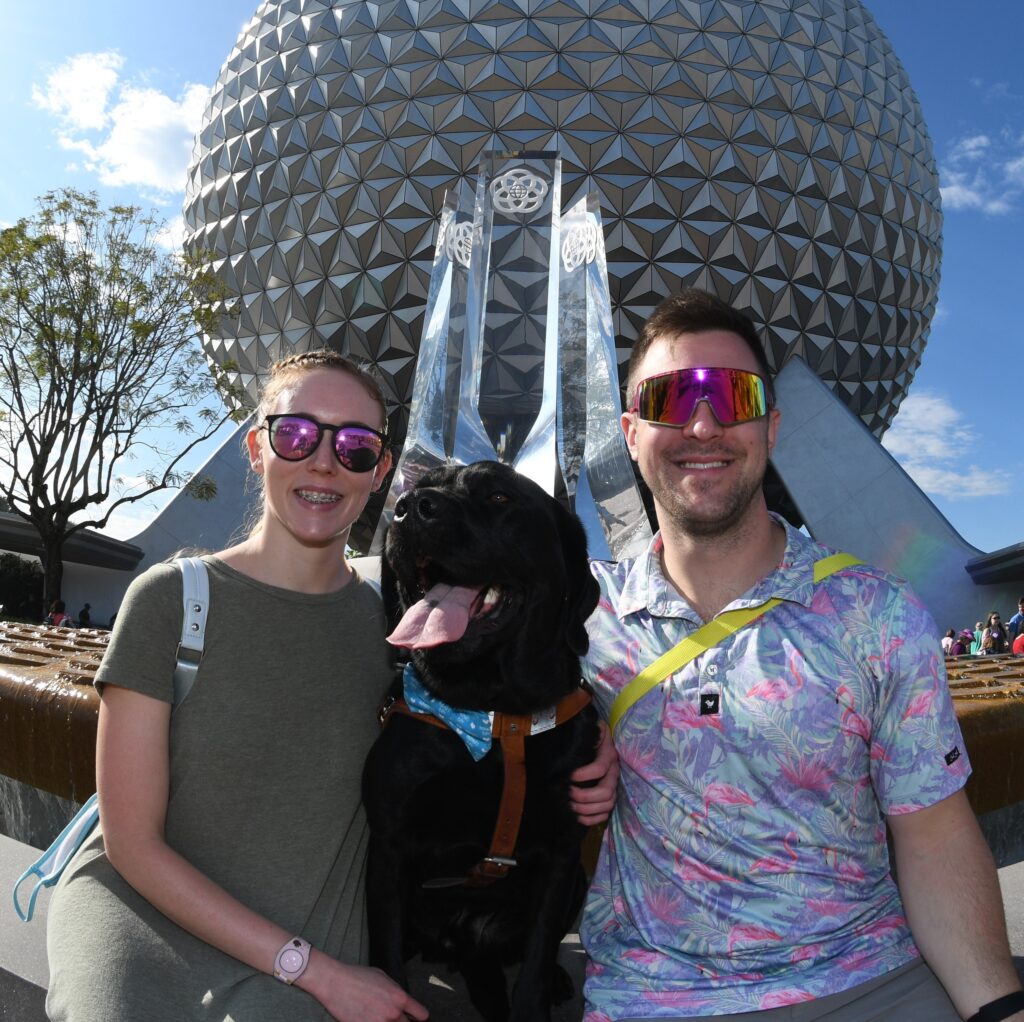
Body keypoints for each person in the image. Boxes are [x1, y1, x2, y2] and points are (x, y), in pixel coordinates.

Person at [45, 348, 616, 1022]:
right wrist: (311, 968)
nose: (322, 461)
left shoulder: (395, 626)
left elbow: (526, 676)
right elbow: (131, 845)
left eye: (353, 446)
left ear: (379, 473)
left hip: (310, 928)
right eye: (295, 434)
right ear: (258, 448)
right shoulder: (173, 600)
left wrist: (595, 730)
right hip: (147, 916)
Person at [579, 289, 1024, 1022]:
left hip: (872, 981)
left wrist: (996, 1006)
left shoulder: (875, 615)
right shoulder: (584, 626)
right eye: (668, 399)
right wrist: (562, 739)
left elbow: (935, 833)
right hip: (652, 997)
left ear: (773, 425)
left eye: (734, 394)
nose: (703, 423)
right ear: (629, 432)